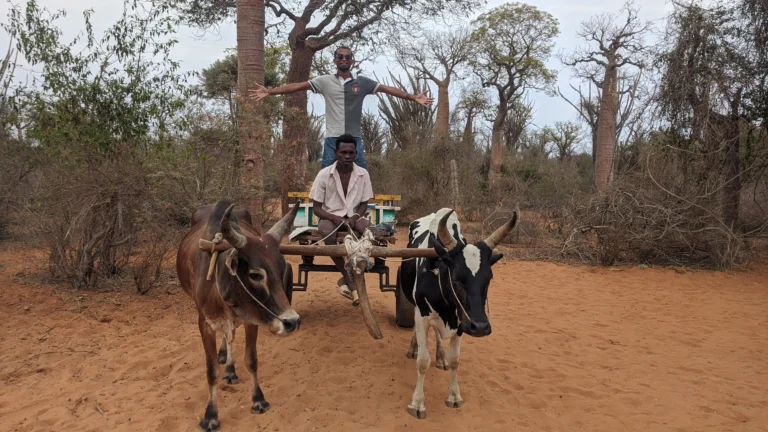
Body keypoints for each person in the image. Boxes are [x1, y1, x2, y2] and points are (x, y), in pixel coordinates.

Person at [248, 46, 434, 169]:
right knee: (326, 173)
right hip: (333, 138)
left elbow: (387, 89)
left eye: (347, 57)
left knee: (361, 174)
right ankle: (326, 213)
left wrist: (413, 97)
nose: (344, 59)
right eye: (340, 56)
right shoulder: (324, 81)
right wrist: (271, 92)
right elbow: (298, 86)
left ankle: (359, 214)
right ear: (335, 60)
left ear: (351, 61)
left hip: (355, 138)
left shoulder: (362, 82)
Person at [308, 133, 379, 301]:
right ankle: (347, 277)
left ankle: (352, 272)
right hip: (329, 216)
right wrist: (334, 218)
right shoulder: (324, 175)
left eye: (351, 153)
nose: (347, 156)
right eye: (343, 152)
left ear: (356, 154)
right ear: (336, 153)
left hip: (355, 216)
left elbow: (363, 204)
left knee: (372, 232)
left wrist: (354, 218)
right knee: (327, 232)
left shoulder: (363, 174)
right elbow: (317, 209)